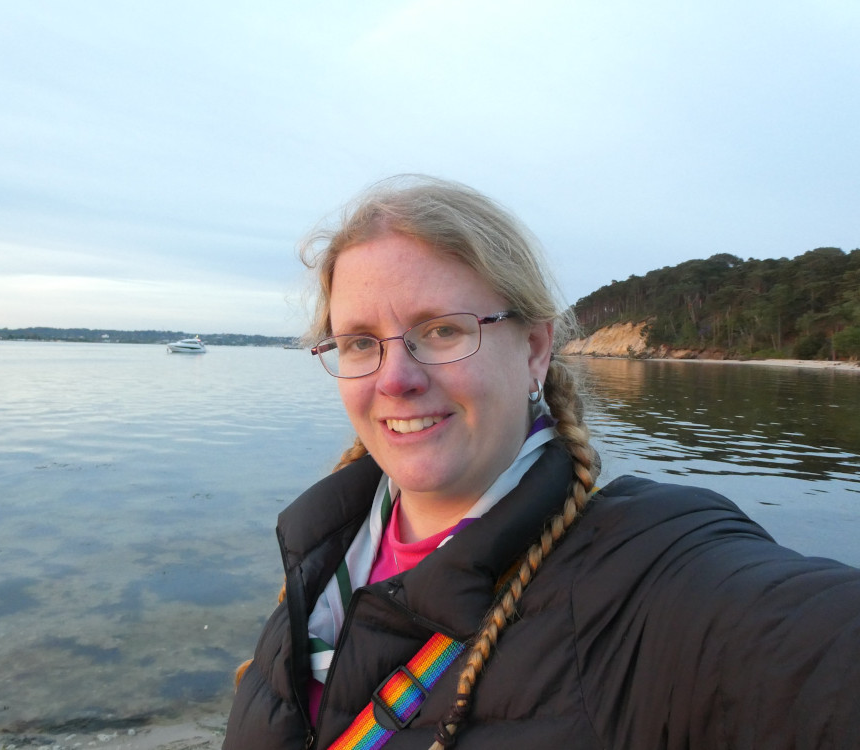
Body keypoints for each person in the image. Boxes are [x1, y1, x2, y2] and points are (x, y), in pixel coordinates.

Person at [223, 176, 860, 749]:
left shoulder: (647, 582)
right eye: (361, 342)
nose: (396, 379)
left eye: (443, 329)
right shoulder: (323, 548)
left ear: (534, 347)